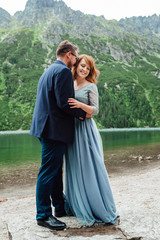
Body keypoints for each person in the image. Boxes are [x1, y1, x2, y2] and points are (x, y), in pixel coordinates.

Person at [30, 41, 91, 231]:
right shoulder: (63, 71)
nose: (76, 60)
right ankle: (43, 215)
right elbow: (65, 103)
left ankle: (59, 207)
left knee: (56, 170)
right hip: (54, 130)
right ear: (69, 54)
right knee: (48, 171)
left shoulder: (48, 70)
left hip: (44, 128)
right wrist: (83, 115)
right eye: (76, 56)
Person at [64, 54, 119, 226]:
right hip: (71, 130)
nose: (84, 69)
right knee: (74, 166)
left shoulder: (91, 86)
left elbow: (95, 110)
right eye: (82, 65)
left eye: (87, 67)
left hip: (85, 130)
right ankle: (77, 203)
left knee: (91, 166)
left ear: (90, 70)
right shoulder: (70, 83)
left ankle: (98, 207)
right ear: (76, 65)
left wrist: (80, 105)